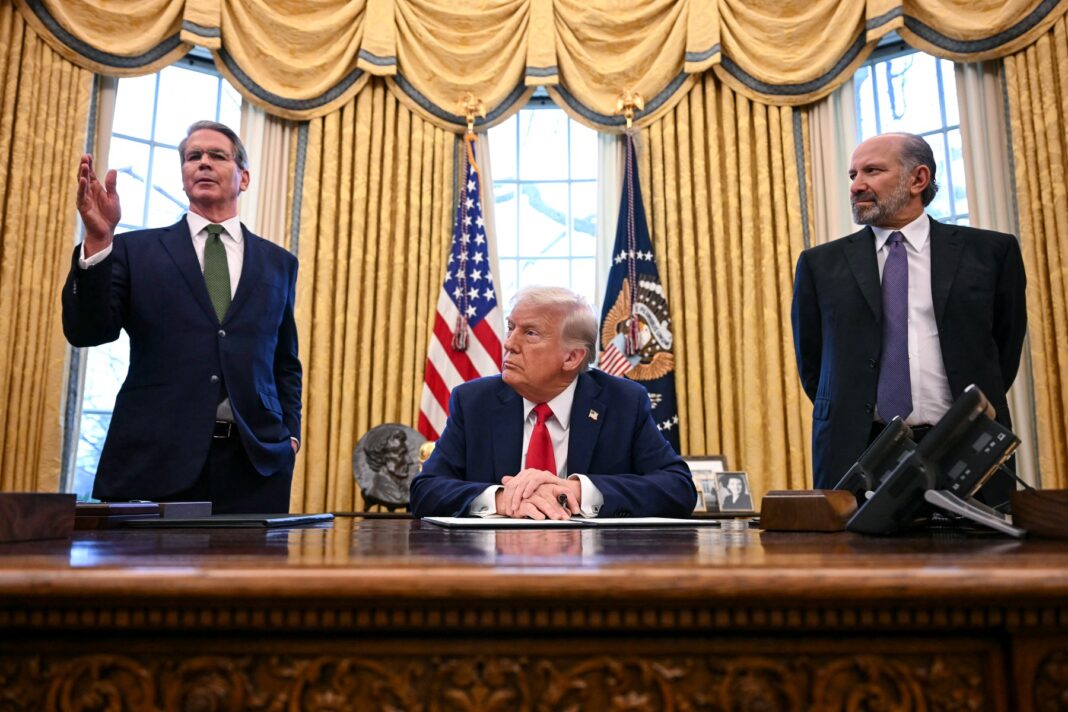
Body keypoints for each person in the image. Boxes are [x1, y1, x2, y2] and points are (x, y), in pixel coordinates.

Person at [62, 121, 302, 513]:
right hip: (155, 460)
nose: (203, 162)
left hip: (255, 466)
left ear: (243, 178)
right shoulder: (134, 251)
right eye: (193, 157)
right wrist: (99, 241)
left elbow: (284, 363)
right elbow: (87, 331)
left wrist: (290, 435)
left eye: (217, 156)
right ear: (184, 176)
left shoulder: (280, 263)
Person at [791, 132, 1027, 506]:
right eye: (852, 175)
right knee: (855, 546)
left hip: (966, 446)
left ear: (918, 179)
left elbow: (1003, 350)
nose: (856, 185)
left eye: (872, 171)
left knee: (982, 544)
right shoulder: (819, 265)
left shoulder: (992, 252)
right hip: (857, 452)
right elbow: (813, 364)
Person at [409, 286, 696, 519]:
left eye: (530, 333)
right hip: (496, 564)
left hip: (595, 564)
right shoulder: (474, 402)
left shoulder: (623, 402)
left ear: (572, 357)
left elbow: (678, 488)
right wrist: (502, 499)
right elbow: (426, 490)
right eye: (511, 327)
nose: (509, 343)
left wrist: (578, 490)